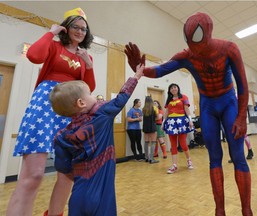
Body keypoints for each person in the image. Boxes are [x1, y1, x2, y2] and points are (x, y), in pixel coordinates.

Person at [125, 12, 252, 216]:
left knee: (238, 156)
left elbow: (243, 85)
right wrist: (139, 69)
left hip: (228, 102)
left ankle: (247, 210)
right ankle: (220, 210)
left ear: (208, 32)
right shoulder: (187, 55)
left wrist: (241, 118)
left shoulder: (229, 49)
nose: (195, 48)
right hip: (208, 105)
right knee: (214, 158)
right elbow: (159, 71)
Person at [7, 8, 95, 216]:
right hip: (45, 104)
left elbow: (86, 88)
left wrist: (89, 64)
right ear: (66, 27)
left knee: (68, 173)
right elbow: (34, 56)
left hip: (71, 109)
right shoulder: (54, 46)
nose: (80, 31)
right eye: (75, 26)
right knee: (34, 174)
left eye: (84, 29)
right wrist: (51, 32)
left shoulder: (85, 55)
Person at [49, 64, 144, 216]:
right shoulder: (102, 116)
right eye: (90, 93)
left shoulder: (61, 136)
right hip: (101, 197)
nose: (95, 96)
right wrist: (136, 76)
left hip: (78, 195)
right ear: (81, 102)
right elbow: (121, 97)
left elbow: (64, 168)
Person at [162, 83, 194, 174]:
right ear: (169, 90)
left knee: (183, 144)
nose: (173, 89)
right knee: (173, 144)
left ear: (178, 88)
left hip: (181, 122)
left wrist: (190, 120)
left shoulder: (184, 97)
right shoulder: (169, 100)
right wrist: (163, 122)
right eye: (171, 88)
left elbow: (187, 109)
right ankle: (174, 165)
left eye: (175, 87)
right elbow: (166, 112)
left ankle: (189, 160)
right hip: (171, 122)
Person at [142, 96, 159, 164]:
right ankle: (151, 159)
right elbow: (157, 118)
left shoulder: (143, 109)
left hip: (145, 127)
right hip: (152, 126)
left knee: (146, 142)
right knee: (153, 142)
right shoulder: (154, 108)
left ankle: (146, 157)